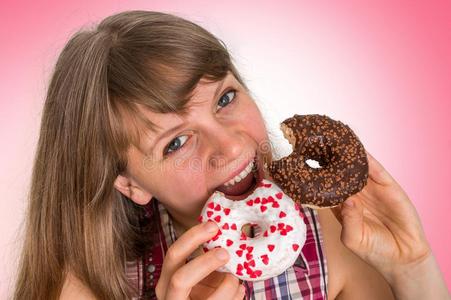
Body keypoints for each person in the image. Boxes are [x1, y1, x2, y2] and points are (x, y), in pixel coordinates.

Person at [13, 10, 449, 300]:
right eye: (176, 142)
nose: (232, 146)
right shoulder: (88, 285)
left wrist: (413, 268)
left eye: (224, 99)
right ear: (130, 183)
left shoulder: (329, 238)